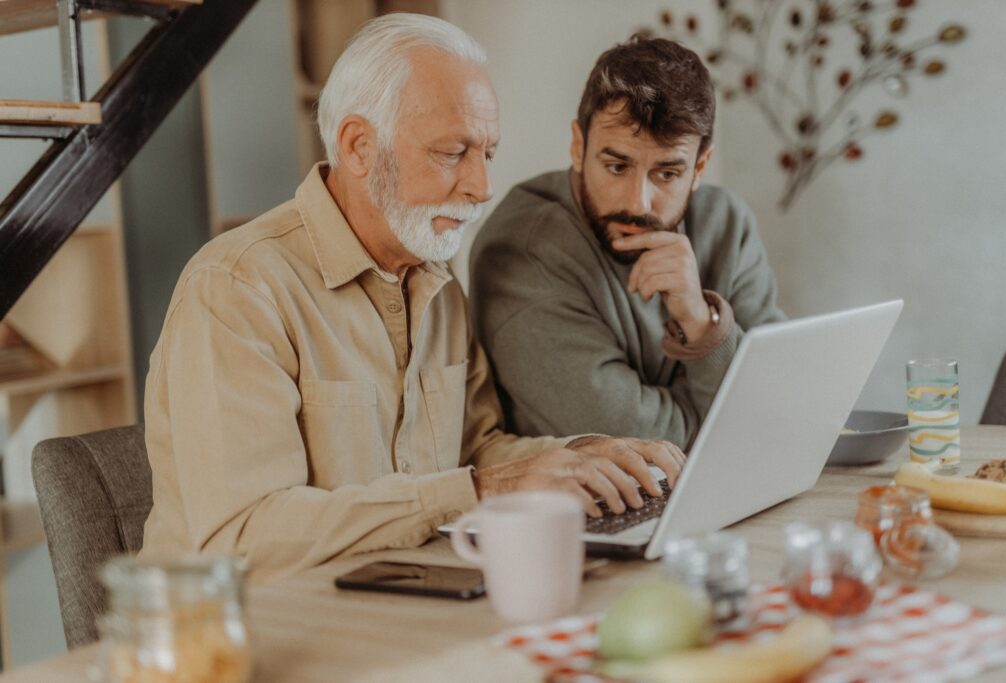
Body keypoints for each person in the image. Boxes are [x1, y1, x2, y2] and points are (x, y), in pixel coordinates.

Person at [139, 15, 686, 583]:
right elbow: (242, 537)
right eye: (453, 153)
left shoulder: (436, 280)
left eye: (488, 154)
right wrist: (474, 492)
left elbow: (476, 449)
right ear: (358, 147)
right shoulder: (237, 288)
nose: (482, 186)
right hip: (251, 635)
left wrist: (583, 458)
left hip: (390, 601)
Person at [470, 36, 786, 449]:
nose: (638, 202)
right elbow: (641, 444)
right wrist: (733, 390)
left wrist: (699, 320)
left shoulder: (727, 223)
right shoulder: (521, 254)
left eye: (667, 174)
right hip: (590, 509)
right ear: (578, 146)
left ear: (699, 167)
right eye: (617, 166)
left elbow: (782, 404)